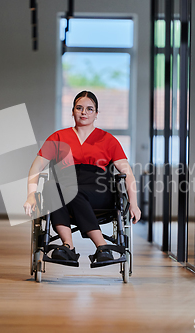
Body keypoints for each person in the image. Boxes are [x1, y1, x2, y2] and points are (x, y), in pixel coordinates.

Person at [23, 90, 141, 264]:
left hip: (99, 191)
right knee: (51, 187)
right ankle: (68, 245)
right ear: (72, 111)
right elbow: (36, 167)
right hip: (65, 187)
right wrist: (31, 195)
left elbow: (127, 173)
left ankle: (101, 245)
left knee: (70, 192)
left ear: (96, 114)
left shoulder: (108, 140)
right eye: (79, 108)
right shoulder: (58, 137)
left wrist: (134, 203)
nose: (84, 112)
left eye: (89, 109)